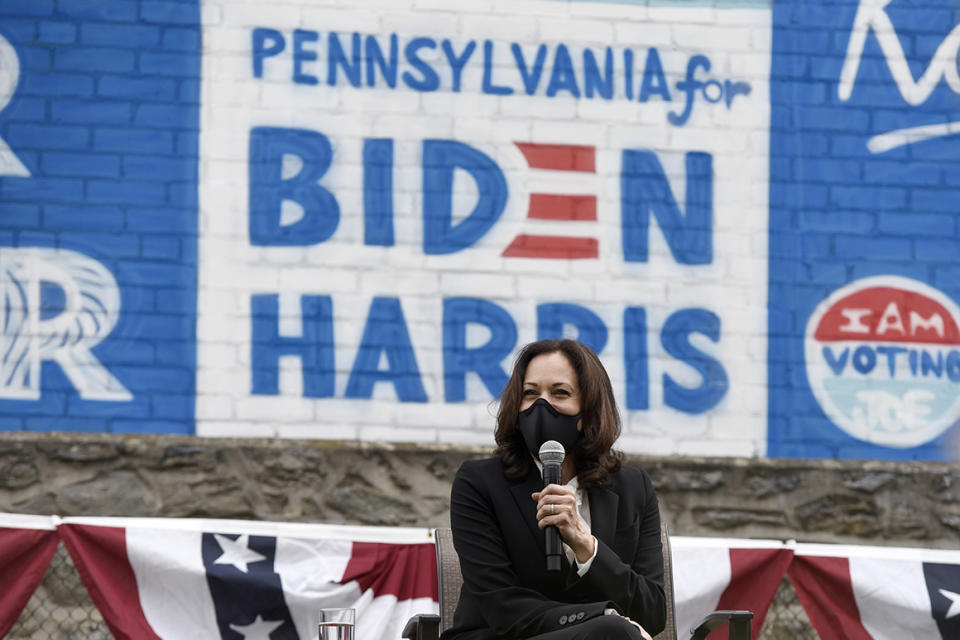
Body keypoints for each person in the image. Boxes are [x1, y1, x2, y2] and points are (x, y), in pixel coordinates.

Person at [441, 339, 666, 640]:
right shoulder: (479, 482)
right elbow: (501, 606)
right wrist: (602, 618)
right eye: (530, 393)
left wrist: (587, 546)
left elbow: (652, 612)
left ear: (588, 410)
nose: (541, 405)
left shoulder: (632, 487)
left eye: (560, 392)